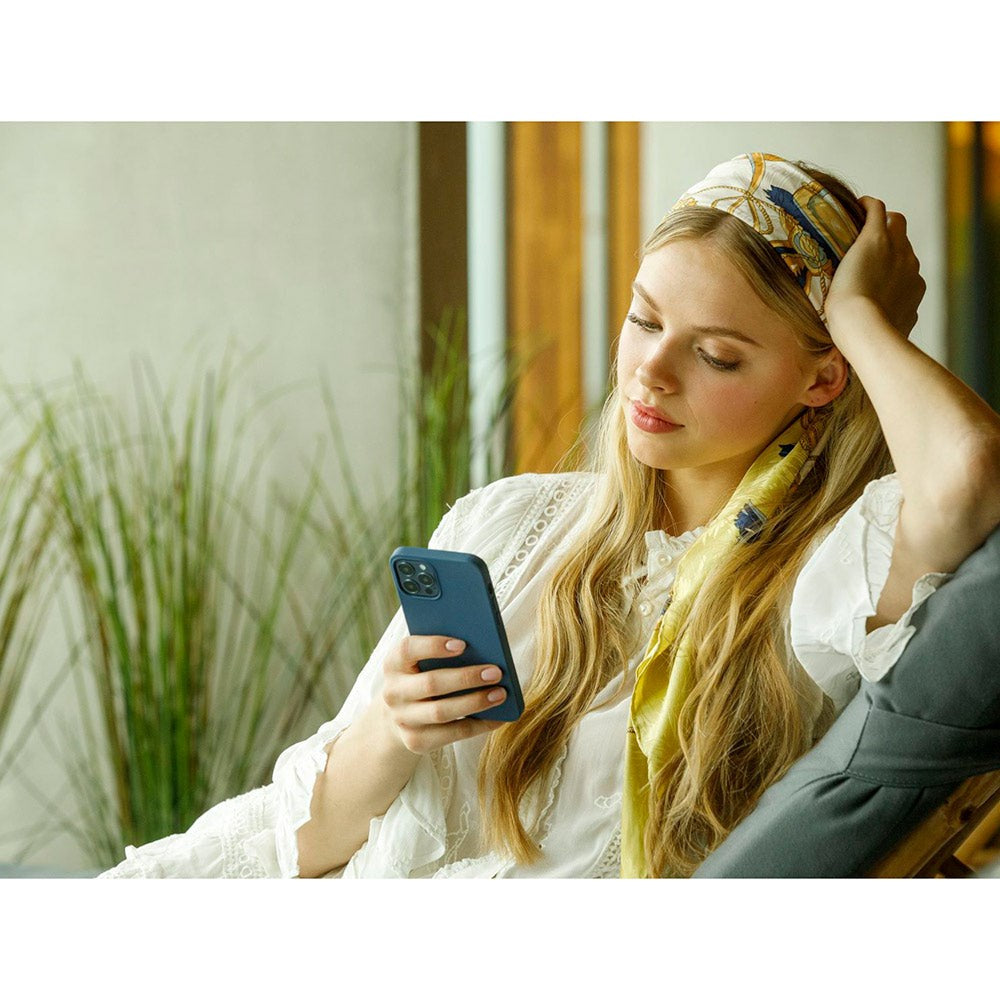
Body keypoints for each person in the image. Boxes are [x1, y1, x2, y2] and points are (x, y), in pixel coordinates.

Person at [98, 151, 1000, 879]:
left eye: (716, 356)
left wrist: (862, 321)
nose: (651, 373)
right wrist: (394, 729)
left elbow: (970, 471)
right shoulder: (508, 525)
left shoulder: (827, 576)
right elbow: (304, 841)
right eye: (644, 320)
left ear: (823, 377)